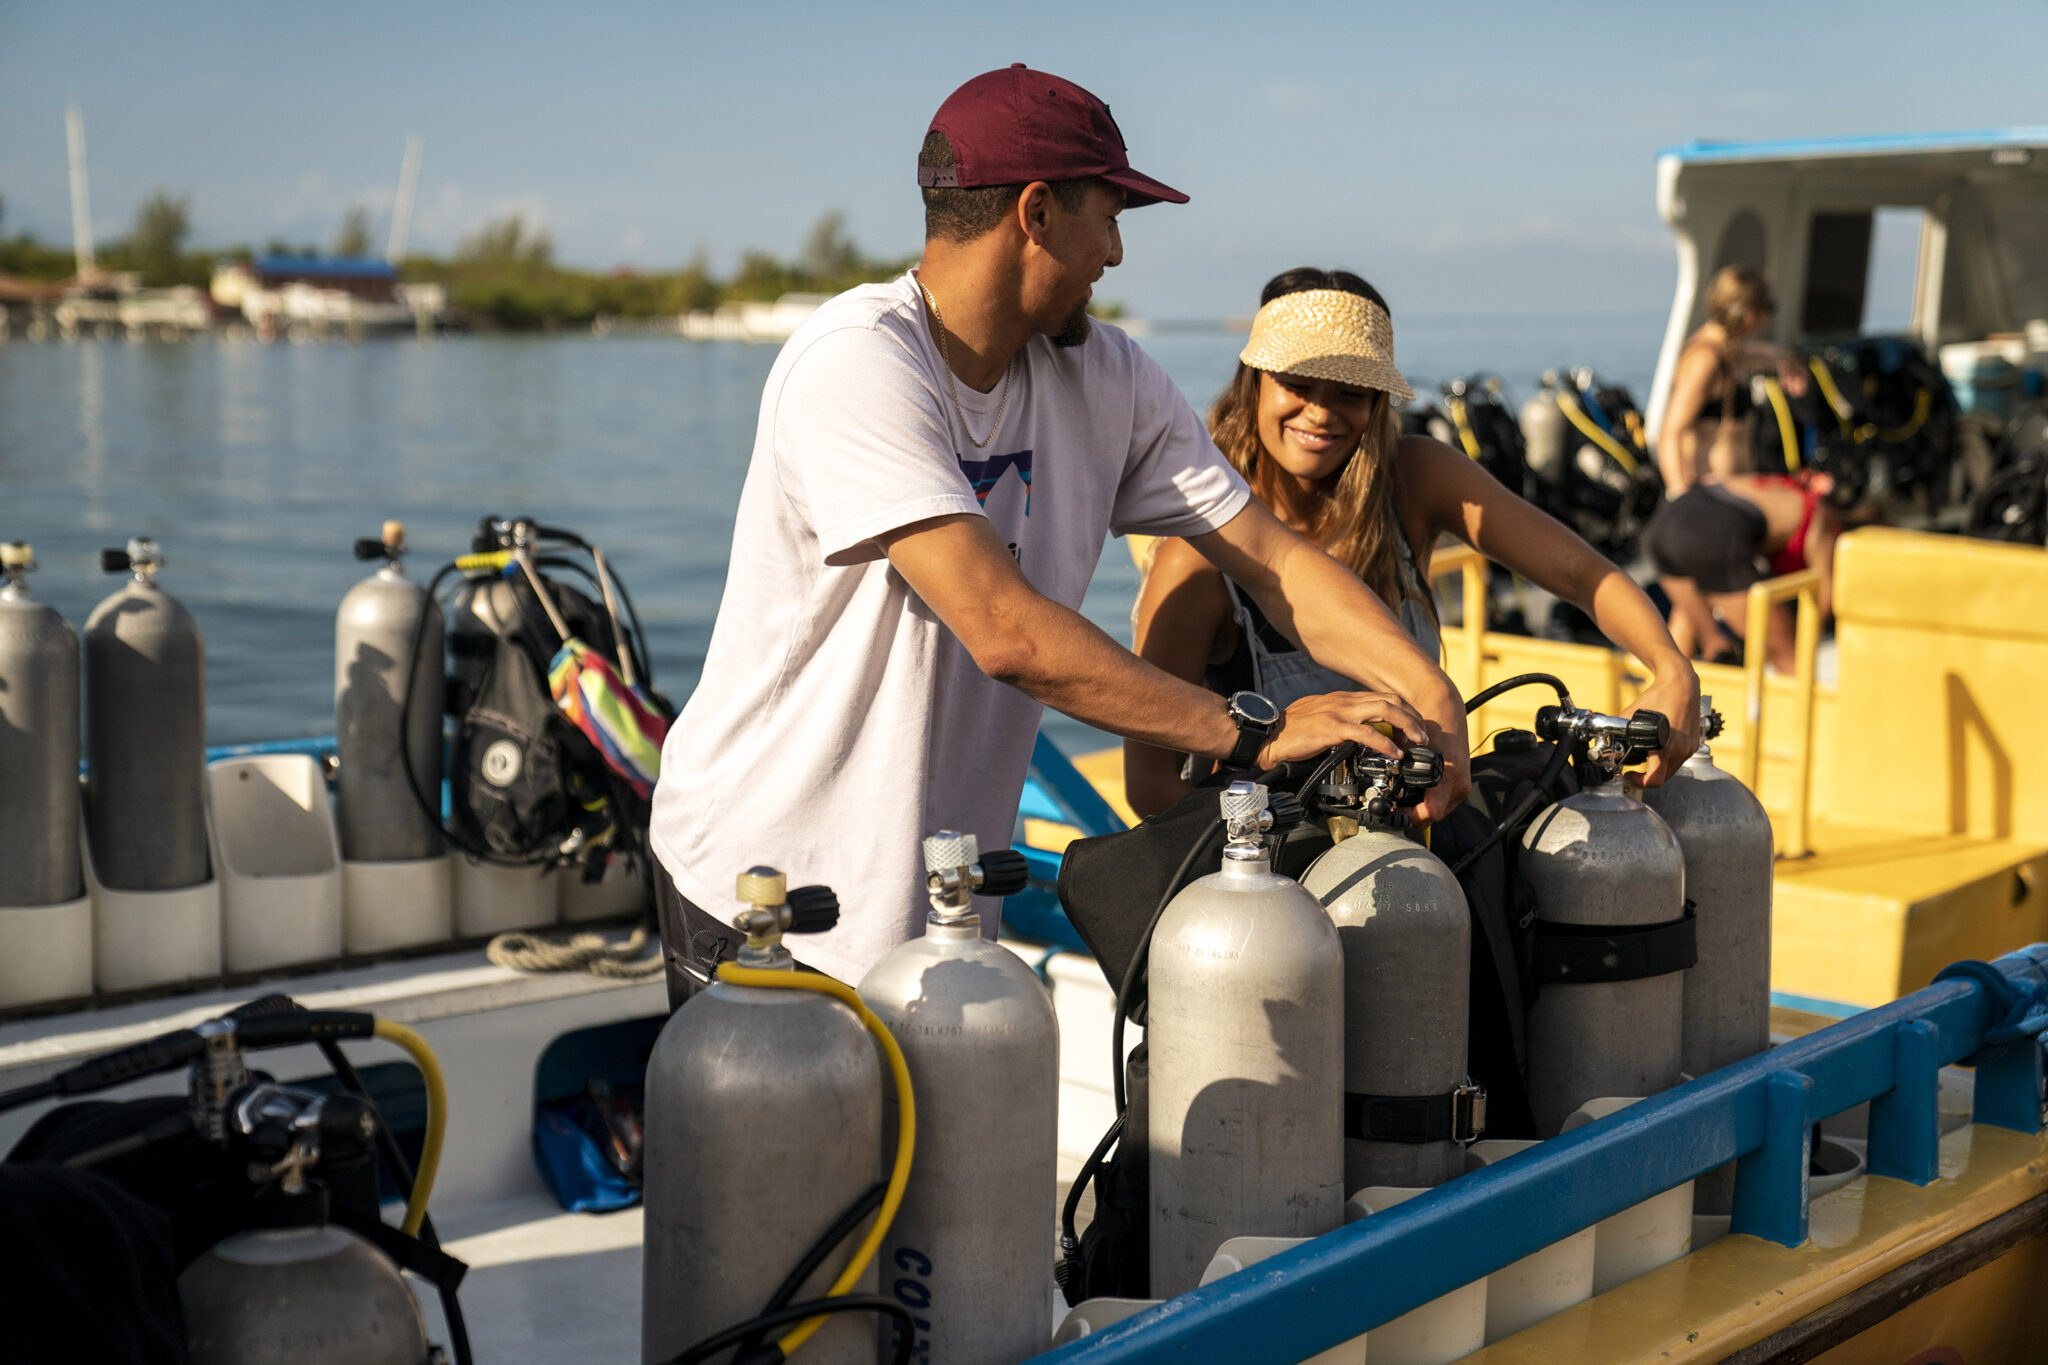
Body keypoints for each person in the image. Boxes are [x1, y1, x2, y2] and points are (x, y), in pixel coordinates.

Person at [647, 69, 1470, 1004]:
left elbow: (1275, 560)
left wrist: (1425, 685)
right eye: (1110, 217)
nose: (1117, 254)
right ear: (1036, 213)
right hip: (771, 893)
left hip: (948, 895)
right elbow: (1007, 631)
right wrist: (1259, 733)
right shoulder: (856, 362)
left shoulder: (1109, 374)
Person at [1125, 268, 1701, 819]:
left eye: (1351, 392)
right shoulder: (1196, 558)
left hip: (1423, 839)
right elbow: (1149, 785)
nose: (1320, 412)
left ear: (1378, 402)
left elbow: (1578, 571)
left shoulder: (1412, 479)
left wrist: (1671, 667)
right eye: (1297, 385)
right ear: (1253, 384)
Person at [1645, 471, 1839, 672]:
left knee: (1704, 643)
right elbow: (1825, 595)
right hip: (1708, 532)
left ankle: (1666, 694)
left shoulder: (1773, 484)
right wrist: (1805, 645)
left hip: (1662, 528)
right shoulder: (1820, 517)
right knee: (1790, 658)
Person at [1656, 264, 1811, 493]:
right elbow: (1670, 433)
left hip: (1734, 490)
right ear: (1747, 313)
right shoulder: (1705, 358)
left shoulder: (1730, 352)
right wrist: (1680, 496)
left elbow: (1763, 353)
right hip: (1709, 494)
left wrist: (1790, 363)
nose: (1768, 317)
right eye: (1766, 308)